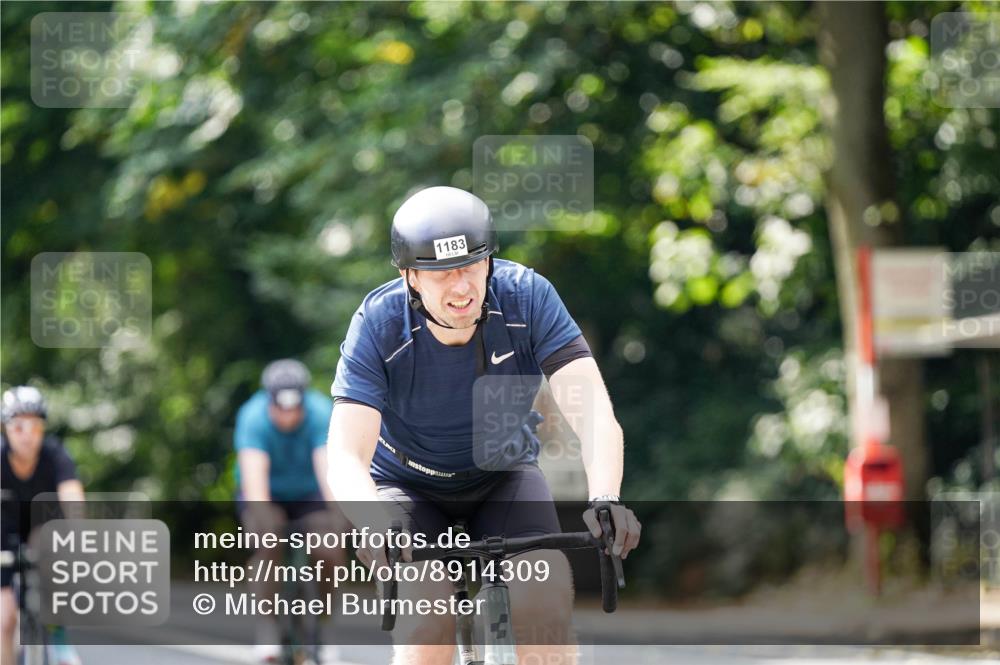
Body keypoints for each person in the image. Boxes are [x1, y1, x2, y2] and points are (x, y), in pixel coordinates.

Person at [327, 186, 641, 665]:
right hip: (408, 485)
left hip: (504, 474)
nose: (461, 287)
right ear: (410, 276)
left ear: (490, 262)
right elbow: (346, 453)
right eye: (441, 273)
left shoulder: (527, 298)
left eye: (472, 266)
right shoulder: (378, 323)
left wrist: (605, 498)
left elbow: (593, 410)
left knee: (545, 600)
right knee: (427, 615)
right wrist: (374, 523)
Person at [234, 359, 347, 664]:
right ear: (269, 400)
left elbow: (327, 468)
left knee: (330, 549)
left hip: (309, 492)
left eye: (294, 408)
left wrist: (340, 515)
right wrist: (263, 520)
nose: (288, 416)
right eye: (280, 408)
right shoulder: (253, 416)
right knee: (267, 542)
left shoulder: (321, 411)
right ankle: (268, 627)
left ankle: (323, 624)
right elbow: (255, 479)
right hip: (266, 492)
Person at [1, 386, 85, 665]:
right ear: (6, 429)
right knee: (5, 618)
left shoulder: (54, 455)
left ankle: (58, 637)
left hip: (43, 528)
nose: (28, 435)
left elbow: (72, 498)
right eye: (19, 427)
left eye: (36, 427)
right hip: (4, 533)